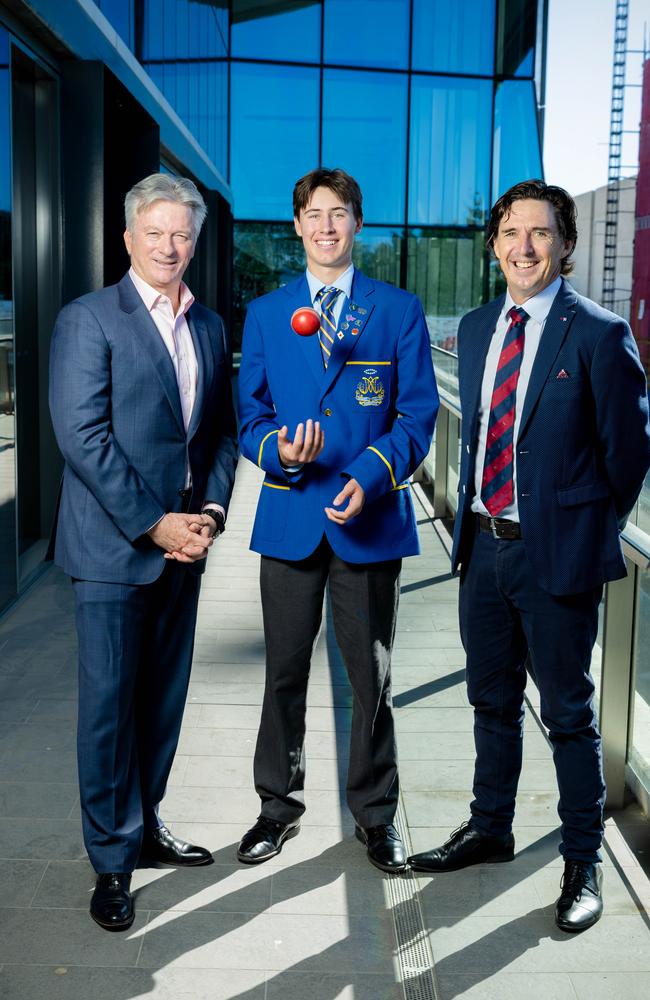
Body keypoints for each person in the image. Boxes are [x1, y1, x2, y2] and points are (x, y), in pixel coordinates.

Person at [408, 179, 650, 931]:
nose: (524, 246)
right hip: (482, 549)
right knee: (491, 703)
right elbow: (478, 431)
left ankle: (583, 862)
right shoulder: (480, 326)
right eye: (511, 232)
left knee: (570, 715)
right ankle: (491, 826)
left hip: (558, 560)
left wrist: (577, 526)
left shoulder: (600, 335)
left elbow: (629, 457)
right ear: (494, 244)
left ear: (565, 245)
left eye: (540, 233)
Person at [49, 173, 238, 930]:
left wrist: (212, 513)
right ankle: (111, 862)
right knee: (108, 712)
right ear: (127, 239)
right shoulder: (88, 319)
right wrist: (155, 523)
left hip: (184, 549)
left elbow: (219, 432)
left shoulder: (212, 326)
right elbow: (82, 438)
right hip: (111, 551)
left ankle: (146, 823)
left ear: (195, 241)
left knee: (161, 705)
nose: (169, 246)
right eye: (155, 232)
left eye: (181, 234)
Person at [237, 167, 438, 872]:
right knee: (284, 674)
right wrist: (281, 453)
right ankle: (276, 807)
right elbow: (249, 417)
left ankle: (376, 816)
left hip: (369, 520)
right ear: (296, 226)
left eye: (339, 213)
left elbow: (417, 416)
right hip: (291, 514)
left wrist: (367, 476)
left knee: (370, 678)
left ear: (358, 224)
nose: (326, 226)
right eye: (313, 215)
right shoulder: (266, 314)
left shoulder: (397, 310)